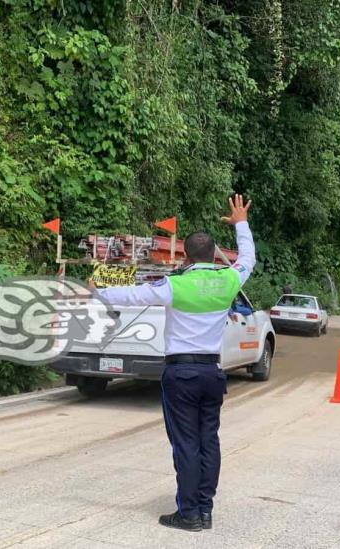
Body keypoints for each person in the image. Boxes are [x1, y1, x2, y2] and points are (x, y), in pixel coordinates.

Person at [95, 194, 255, 532]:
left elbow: (133, 293)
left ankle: (188, 513)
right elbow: (248, 260)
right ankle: (205, 510)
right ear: (214, 255)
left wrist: (98, 290)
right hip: (213, 372)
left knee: (186, 443)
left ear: (184, 255)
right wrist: (240, 222)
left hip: (180, 373)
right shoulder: (228, 281)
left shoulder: (173, 285)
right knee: (208, 439)